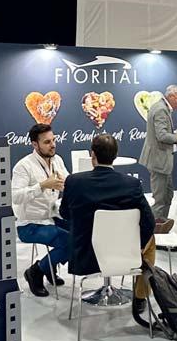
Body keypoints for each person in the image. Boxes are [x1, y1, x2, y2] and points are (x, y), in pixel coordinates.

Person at [60, 134, 156, 321]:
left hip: (85, 256)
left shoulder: (74, 181)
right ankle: (140, 297)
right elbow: (149, 222)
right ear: (116, 156)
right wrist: (138, 247)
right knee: (151, 240)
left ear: (92, 155)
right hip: (124, 255)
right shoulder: (132, 185)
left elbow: (65, 214)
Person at [11, 123, 70, 297]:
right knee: (71, 243)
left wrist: (67, 185)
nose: (53, 145)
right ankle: (36, 271)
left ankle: (49, 266)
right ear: (35, 144)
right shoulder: (23, 166)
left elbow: (67, 181)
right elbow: (15, 197)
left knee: (81, 236)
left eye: (53, 140)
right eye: (47, 142)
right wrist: (43, 185)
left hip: (53, 217)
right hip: (30, 224)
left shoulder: (57, 160)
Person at [139, 85, 177, 220]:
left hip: (161, 161)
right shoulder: (161, 109)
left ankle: (163, 224)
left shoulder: (161, 107)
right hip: (159, 161)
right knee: (160, 200)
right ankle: (155, 228)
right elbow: (162, 136)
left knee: (167, 196)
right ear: (170, 96)